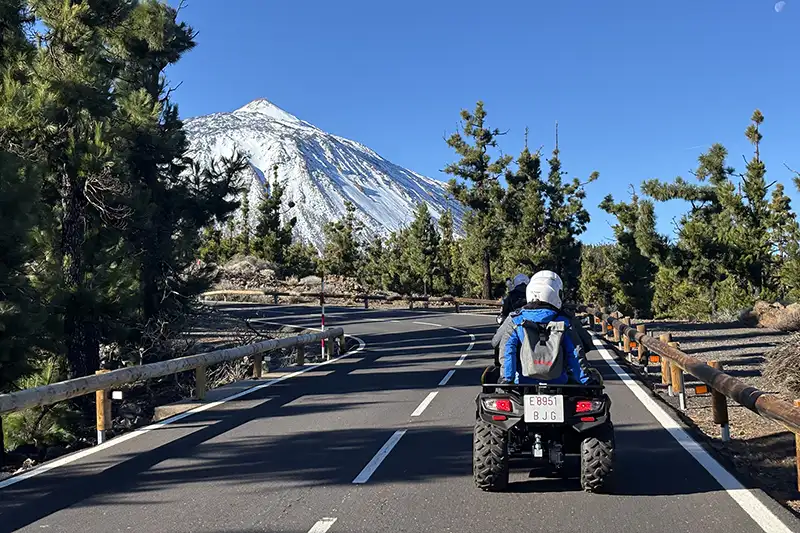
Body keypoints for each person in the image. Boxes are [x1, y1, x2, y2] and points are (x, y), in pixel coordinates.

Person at [499, 273, 595, 385]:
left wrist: (507, 378)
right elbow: (575, 352)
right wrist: (585, 380)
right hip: (559, 382)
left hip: (523, 383)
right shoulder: (564, 321)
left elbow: (507, 350)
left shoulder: (517, 321)